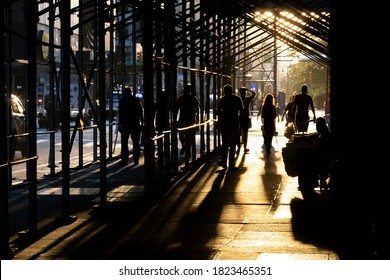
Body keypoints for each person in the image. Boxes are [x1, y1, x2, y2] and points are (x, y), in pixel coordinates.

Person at [216, 84, 244, 171]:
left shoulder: (222, 100)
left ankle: (224, 162)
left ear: (224, 92)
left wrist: (223, 115)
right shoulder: (237, 99)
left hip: (224, 124)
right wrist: (238, 119)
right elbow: (242, 110)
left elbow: (218, 112)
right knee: (233, 144)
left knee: (225, 143)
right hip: (234, 124)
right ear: (232, 91)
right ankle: (231, 163)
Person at [118, 87, 144, 165]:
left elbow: (120, 114)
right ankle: (136, 159)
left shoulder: (122, 101)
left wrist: (119, 125)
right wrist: (142, 122)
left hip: (126, 124)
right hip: (135, 123)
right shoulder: (136, 100)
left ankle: (125, 159)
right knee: (136, 142)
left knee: (124, 142)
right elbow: (140, 112)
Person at [176, 83, 200, 156]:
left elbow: (177, 108)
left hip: (183, 118)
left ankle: (184, 146)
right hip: (190, 119)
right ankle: (187, 148)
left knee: (181, 134)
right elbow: (197, 108)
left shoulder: (181, 98)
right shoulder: (193, 98)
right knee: (189, 136)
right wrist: (197, 117)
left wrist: (175, 118)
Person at [315, 117, 333, 193]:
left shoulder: (324, 136)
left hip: (326, 158)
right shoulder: (325, 133)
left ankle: (322, 181)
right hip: (326, 157)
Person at [239, 87, 256, 153]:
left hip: (239, 118)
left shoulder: (238, 99)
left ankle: (237, 147)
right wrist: (248, 89)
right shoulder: (247, 99)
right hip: (245, 117)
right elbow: (254, 94)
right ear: (245, 93)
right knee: (245, 133)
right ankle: (245, 147)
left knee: (238, 132)